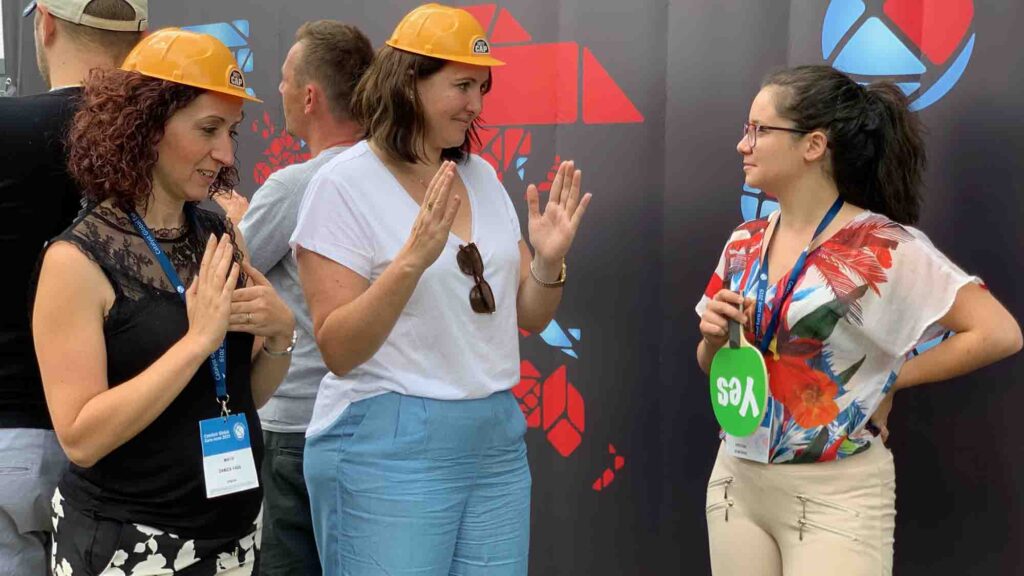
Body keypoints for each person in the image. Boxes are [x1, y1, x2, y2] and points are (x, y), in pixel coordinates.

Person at [291, 4, 592, 574]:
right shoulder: (342, 185)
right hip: (387, 443)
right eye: (461, 85)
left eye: (481, 86)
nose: (476, 104)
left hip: (495, 440)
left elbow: (527, 314)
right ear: (408, 81)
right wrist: (410, 263)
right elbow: (339, 348)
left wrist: (550, 262)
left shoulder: (482, 176)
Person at [696, 65, 1022, 575]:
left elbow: (998, 332)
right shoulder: (744, 241)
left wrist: (889, 380)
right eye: (745, 128)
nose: (744, 144)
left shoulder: (883, 246)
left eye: (759, 130)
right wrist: (712, 337)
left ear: (814, 145)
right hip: (736, 482)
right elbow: (711, 361)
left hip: (835, 494)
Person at [31, 28, 296, 574]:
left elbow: (243, 392)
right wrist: (196, 342)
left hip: (234, 538)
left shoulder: (219, 230)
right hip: (130, 543)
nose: (225, 153)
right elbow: (80, 437)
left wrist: (279, 337)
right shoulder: (76, 261)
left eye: (231, 131)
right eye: (208, 129)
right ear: (145, 127)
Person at [0, 1, 144, 574]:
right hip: (131, 432)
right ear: (143, 37)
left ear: (46, 24)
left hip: (14, 428)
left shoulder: (9, 130)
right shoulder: (166, 140)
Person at [227, 20, 372, 576]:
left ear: (310, 96)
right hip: (371, 427)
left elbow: (224, 279)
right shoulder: (386, 176)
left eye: (285, 80)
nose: (278, 91)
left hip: (296, 432)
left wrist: (236, 226)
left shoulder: (296, 186)